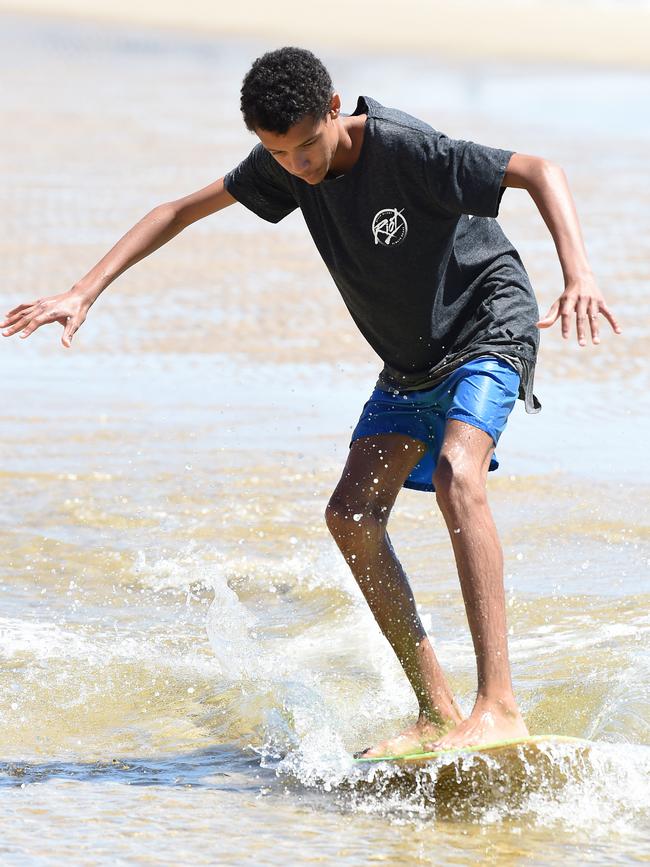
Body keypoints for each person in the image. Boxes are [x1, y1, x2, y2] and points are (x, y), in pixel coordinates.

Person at [1, 47, 620, 757]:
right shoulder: (286, 162)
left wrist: (579, 272)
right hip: (410, 358)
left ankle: (499, 705)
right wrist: (84, 290)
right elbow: (177, 210)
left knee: (457, 471)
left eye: (304, 147)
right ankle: (439, 710)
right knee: (350, 514)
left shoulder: (409, 149)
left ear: (334, 109)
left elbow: (540, 170)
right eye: (278, 154)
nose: (296, 167)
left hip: (488, 323)